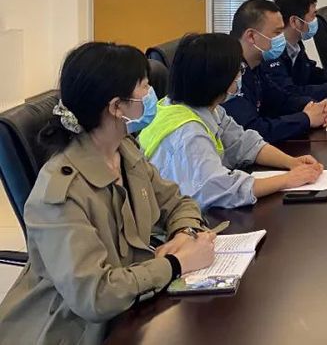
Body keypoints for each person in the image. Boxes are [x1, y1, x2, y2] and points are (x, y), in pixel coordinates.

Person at [0, 43, 216, 344]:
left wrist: (184, 232)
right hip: (71, 330)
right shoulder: (59, 193)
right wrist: (176, 265)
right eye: (144, 87)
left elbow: (177, 202)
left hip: (133, 307)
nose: (152, 95)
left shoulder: (125, 151)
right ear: (116, 107)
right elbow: (95, 296)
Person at [140, 33, 325, 209]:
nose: (240, 76)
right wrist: (287, 180)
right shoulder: (188, 134)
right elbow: (220, 190)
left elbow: (244, 143)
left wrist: (291, 163)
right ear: (217, 81)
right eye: (238, 71)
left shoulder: (206, 108)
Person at [222, 0, 327, 142]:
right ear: (251, 36)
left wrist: (315, 107)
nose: (282, 39)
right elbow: (251, 130)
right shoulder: (227, 71)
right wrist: (306, 118)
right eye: (277, 33)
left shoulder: (256, 64)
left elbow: (280, 99)